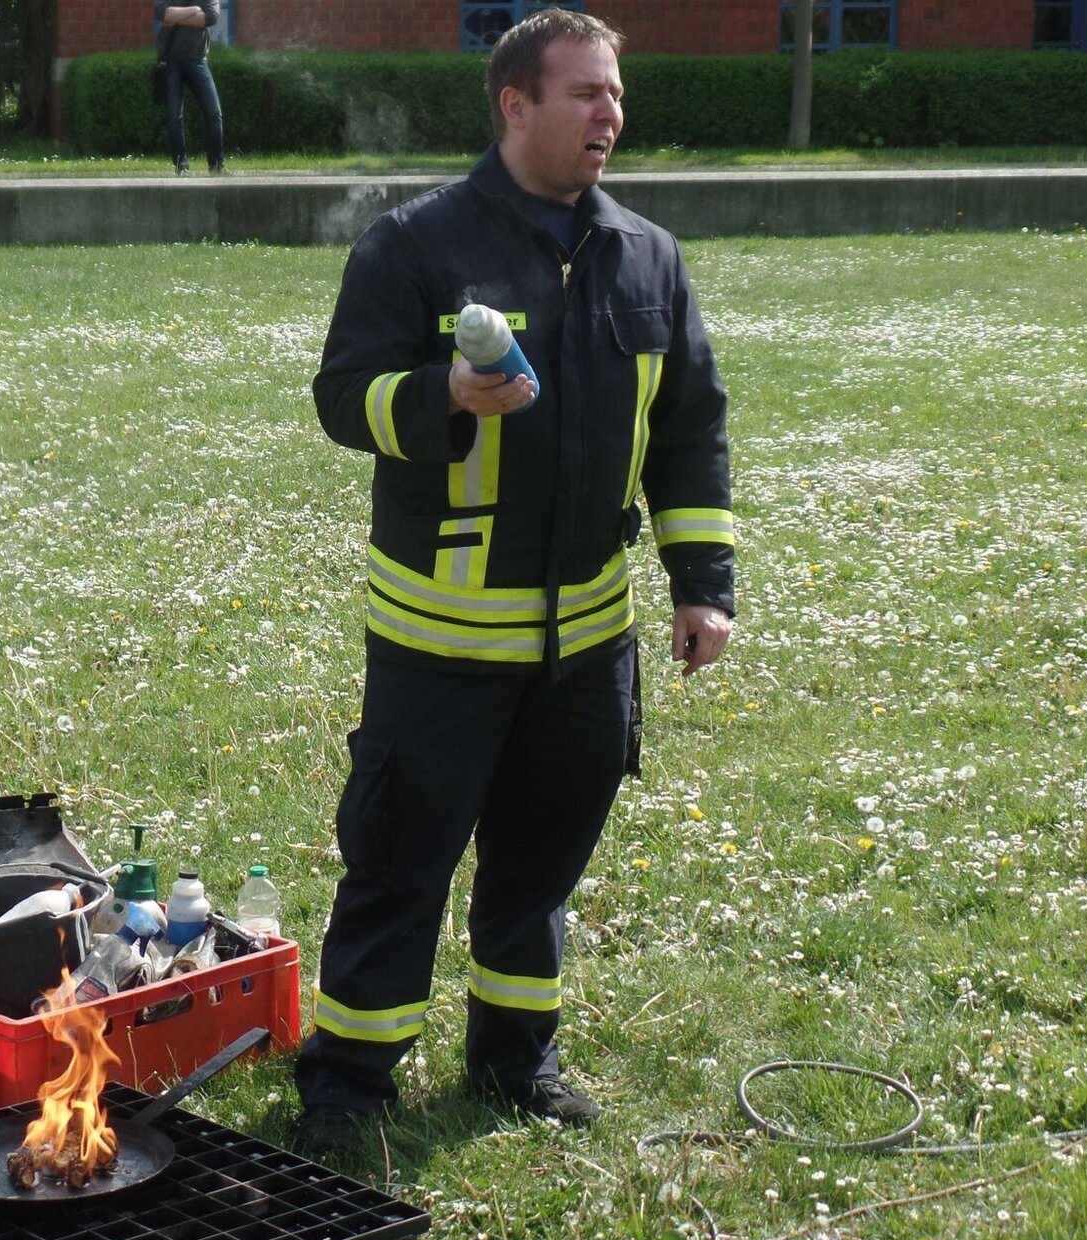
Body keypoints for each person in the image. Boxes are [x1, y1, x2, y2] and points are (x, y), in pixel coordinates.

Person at [290, 9, 735, 1156]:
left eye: (615, 95)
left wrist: (702, 582)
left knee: (538, 870)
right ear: (514, 105)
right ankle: (348, 1076)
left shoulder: (647, 255)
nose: (609, 115)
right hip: (440, 640)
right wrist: (437, 391)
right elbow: (344, 398)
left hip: (587, 641)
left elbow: (687, 428)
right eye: (584, 93)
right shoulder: (414, 246)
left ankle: (513, 1061)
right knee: (399, 863)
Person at [156, 2, 226, 175]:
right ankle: (182, 167)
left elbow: (211, 18)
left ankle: (217, 166)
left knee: (213, 113)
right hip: (171, 62)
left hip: (198, 61)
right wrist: (194, 11)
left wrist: (176, 17)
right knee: (174, 116)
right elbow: (161, 13)